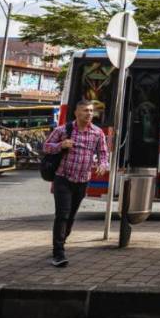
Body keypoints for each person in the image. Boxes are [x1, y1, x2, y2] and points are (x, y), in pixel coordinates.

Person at [41, 100, 109, 268]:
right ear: (77, 113)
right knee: (62, 214)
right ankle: (58, 253)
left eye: (91, 111)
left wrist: (102, 165)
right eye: (86, 110)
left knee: (71, 216)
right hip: (63, 178)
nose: (89, 114)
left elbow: (103, 153)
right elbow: (45, 147)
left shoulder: (97, 133)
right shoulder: (63, 130)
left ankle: (61, 241)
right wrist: (60, 145)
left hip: (82, 180)